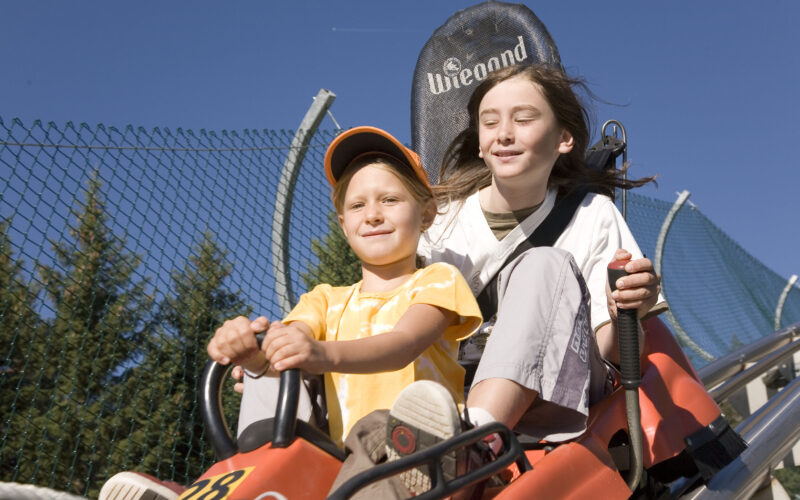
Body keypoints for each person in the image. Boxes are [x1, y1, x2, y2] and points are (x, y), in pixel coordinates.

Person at [98, 126, 482, 500]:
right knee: (275, 362)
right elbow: (288, 344)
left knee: (375, 428)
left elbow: (404, 344)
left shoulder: (436, 280)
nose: (373, 215)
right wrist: (249, 351)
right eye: (357, 205)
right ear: (343, 224)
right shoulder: (324, 299)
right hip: (342, 461)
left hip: (421, 451)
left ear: (428, 213)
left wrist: (322, 354)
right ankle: (241, 484)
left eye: (390, 200)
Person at [388, 62, 664, 466]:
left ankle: (475, 444)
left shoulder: (593, 216)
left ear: (564, 138)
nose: (504, 134)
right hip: (447, 391)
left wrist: (626, 313)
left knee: (545, 265)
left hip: (558, 393)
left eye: (524, 118)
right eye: (490, 122)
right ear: (480, 143)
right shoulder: (439, 222)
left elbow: (621, 355)